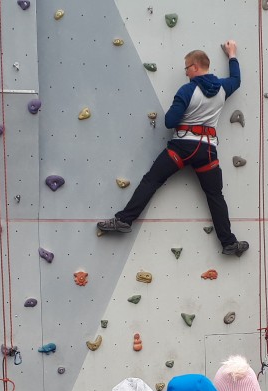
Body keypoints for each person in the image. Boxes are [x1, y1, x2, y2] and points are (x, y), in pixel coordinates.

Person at [97, 42, 249, 258]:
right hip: (206, 151)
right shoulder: (224, 88)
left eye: (187, 67)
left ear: (196, 67)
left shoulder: (187, 90)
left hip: (182, 147)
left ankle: (124, 220)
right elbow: (237, 79)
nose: (186, 72)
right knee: (215, 195)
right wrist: (232, 54)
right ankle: (229, 243)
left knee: (151, 181)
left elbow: (170, 121)